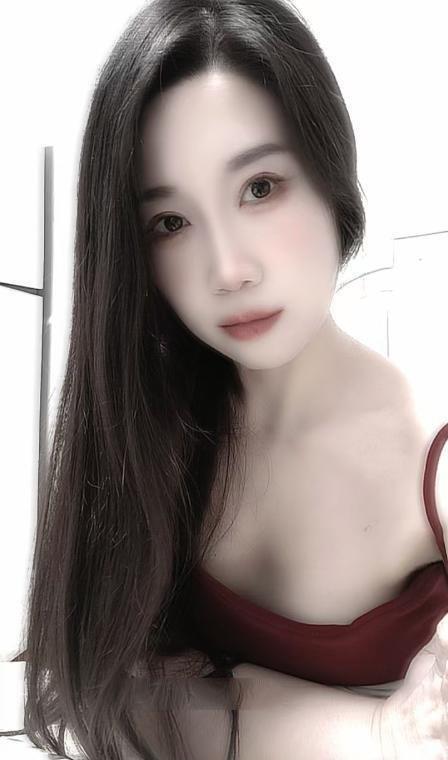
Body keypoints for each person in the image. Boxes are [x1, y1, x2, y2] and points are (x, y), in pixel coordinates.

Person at [2, 0, 447, 758]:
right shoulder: (151, 431)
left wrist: (226, 702)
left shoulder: (429, 457)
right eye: (171, 223)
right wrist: (377, 729)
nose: (229, 270)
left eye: (260, 187)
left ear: (331, 173)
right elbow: (88, 691)